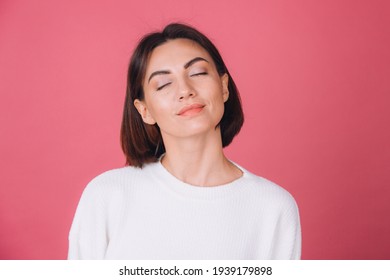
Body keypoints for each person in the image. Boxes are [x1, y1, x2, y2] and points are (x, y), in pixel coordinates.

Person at [68, 23, 301, 259]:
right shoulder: (108, 195)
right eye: (163, 84)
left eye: (198, 73)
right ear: (144, 110)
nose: (185, 90)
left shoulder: (273, 207)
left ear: (223, 87)